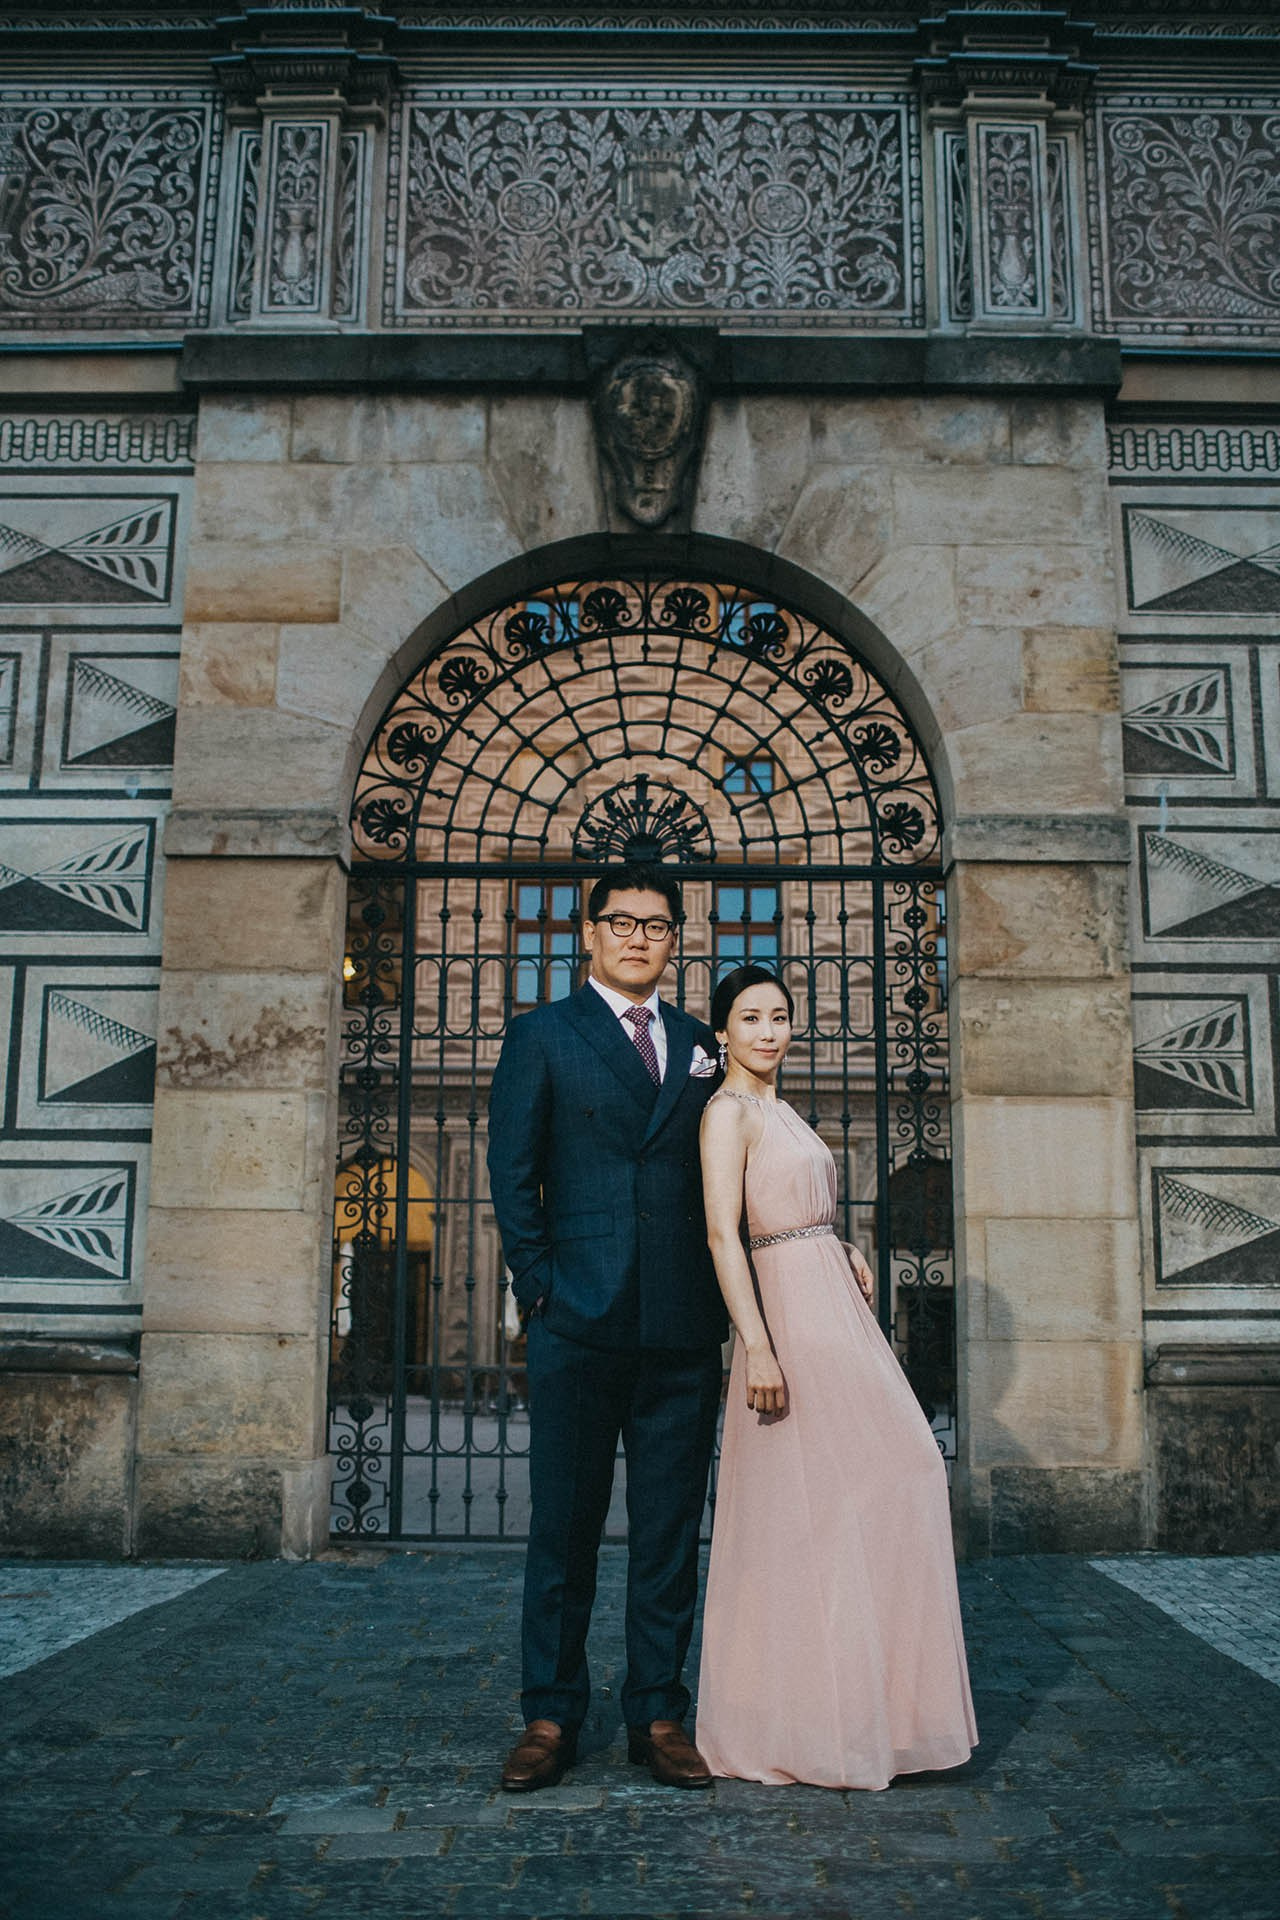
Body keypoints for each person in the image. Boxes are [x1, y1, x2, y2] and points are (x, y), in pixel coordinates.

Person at [695, 965, 977, 1790]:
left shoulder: (783, 1108)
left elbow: (792, 1211)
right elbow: (723, 1235)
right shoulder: (728, 1114)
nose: (769, 1031)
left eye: (780, 1016)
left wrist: (838, 1242)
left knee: (894, 1479)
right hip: (791, 1325)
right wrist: (759, 1346)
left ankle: (874, 1712)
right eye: (750, 1018)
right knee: (816, 1506)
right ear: (723, 1034)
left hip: (829, 1300)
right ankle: (805, 1717)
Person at [487, 861, 726, 1793]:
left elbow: (742, 1163)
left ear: (675, 942)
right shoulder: (542, 1035)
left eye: (657, 926)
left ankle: (658, 1712)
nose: (638, 938)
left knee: (668, 1535)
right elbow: (515, 1175)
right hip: (578, 1320)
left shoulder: (703, 1042)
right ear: (589, 935)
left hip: (679, 1324)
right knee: (565, 1529)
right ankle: (550, 1713)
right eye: (621, 922)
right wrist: (540, 1287)